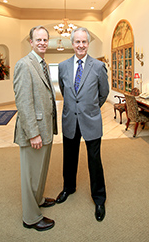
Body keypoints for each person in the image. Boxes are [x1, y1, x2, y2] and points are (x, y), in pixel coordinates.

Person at [56, 27, 109, 222]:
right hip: (70, 119)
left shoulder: (98, 67)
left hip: (91, 120)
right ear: (72, 44)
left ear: (88, 43)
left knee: (94, 161)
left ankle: (99, 199)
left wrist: (91, 108)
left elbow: (103, 93)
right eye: (77, 42)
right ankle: (68, 188)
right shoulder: (62, 66)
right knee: (69, 158)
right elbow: (64, 91)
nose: (81, 45)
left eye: (84, 42)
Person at [13, 25, 57, 231]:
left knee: (41, 171)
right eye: (38, 39)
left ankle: (38, 199)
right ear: (30, 42)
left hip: (45, 128)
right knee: (31, 175)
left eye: (45, 39)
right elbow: (23, 103)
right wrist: (33, 134)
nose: (42, 43)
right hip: (34, 131)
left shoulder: (42, 63)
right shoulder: (24, 64)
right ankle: (30, 217)